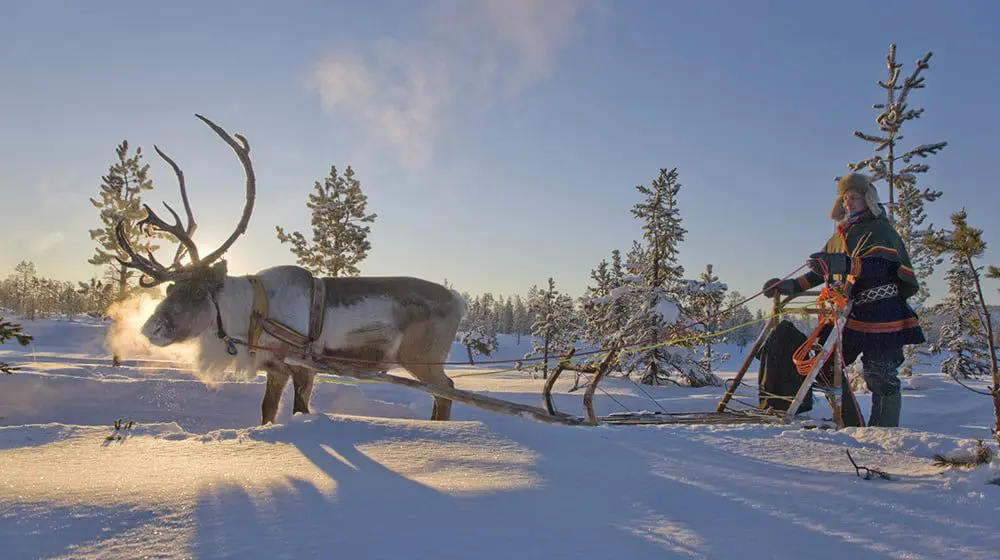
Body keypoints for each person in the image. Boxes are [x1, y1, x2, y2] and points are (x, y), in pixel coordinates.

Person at [762, 173, 924, 427]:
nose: (849, 203)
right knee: (822, 366)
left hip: (882, 313)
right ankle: (851, 422)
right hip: (847, 315)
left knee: (879, 376)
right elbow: (819, 272)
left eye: (855, 197)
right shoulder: (839, 236)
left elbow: (881, 266)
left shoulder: (880, 229)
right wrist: (789, 286)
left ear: (867, 199)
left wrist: (844, 263)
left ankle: (885, 432)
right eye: (845, 198)